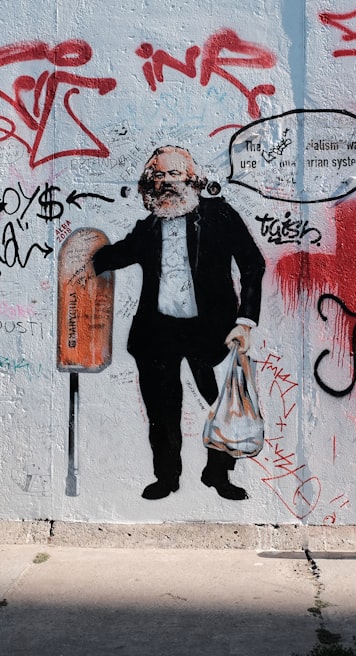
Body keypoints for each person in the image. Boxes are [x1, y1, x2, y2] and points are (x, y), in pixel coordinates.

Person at [92, 145, 265, 501]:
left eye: (174, 174)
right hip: (158, 333)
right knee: (162, 411)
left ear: (192, 178)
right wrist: (81, 255)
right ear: (148, 184)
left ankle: (218, 475)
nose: (167, 182)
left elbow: (252, 263)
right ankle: (166, 477)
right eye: (159, 175)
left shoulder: (219, 215)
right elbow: (117, 256)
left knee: (220, 405)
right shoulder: (149, 227)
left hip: (212, 331)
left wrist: (245, 322)